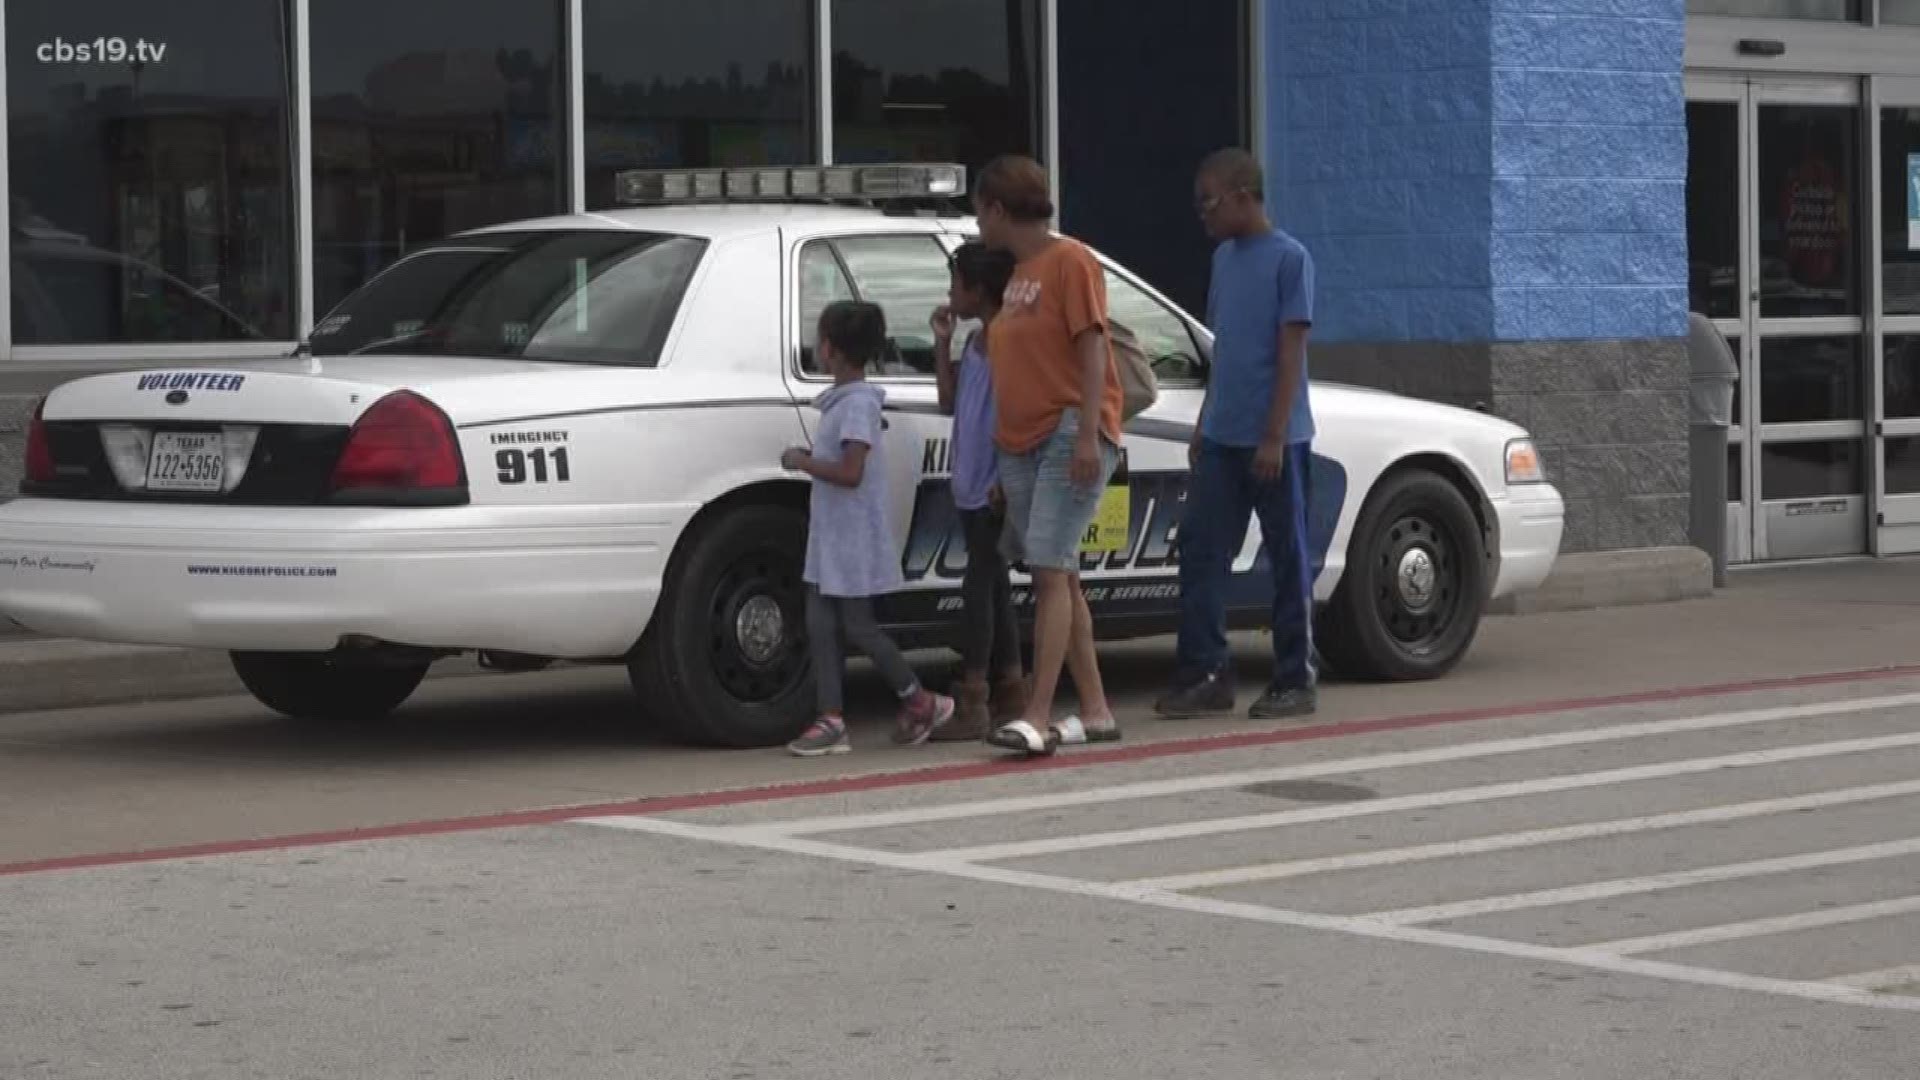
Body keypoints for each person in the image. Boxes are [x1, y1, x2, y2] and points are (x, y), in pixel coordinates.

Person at [1156, 147, 1319, 722]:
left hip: (1277, 438)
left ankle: (1294, 674)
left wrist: (1273, 435)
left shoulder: (1289, 260)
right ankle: (1205, 670)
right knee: (1201, 548)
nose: (1202, 215)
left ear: (1244, 197)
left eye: (1209, 203)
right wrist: (1206, 419)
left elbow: (1288, 354)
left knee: (1287, 554)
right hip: (1223, 436)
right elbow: (1225, 349)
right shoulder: (1225, 259)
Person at [971, 154, 1124, 757]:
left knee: (1049, 570)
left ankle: (1037, 713)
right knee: (1061, 574)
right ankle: (1096, 710)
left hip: (1067, 430)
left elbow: (1092, 347)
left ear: (999, 209)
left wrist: (1088, 433)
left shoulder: (1071, 261)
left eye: (981, 209)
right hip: (1020, 441)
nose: (978, 222)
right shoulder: (1015, 274)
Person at [781, 300, 956, 756]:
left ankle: (919, 699)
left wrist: (803, 462)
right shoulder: (845, 403)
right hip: (832, 536)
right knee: (820, 620)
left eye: (820, 339)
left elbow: (851, 472)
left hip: (851, 537)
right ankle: (831, 716)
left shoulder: (856, 405)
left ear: (833, 350)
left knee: (857, 625)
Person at [930, 240, 1029, 742]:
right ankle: (1011, 684)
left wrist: (1004, 480)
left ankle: (974, 693)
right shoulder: (974, 343)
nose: (950, 293)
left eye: (955, 284)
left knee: (979, 584)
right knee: (994, 585)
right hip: (969, 483)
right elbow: (949, 403)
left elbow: (1017, 413)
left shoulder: (1009, 342)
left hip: (992, 486)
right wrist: (942, 345)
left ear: (978, 290)